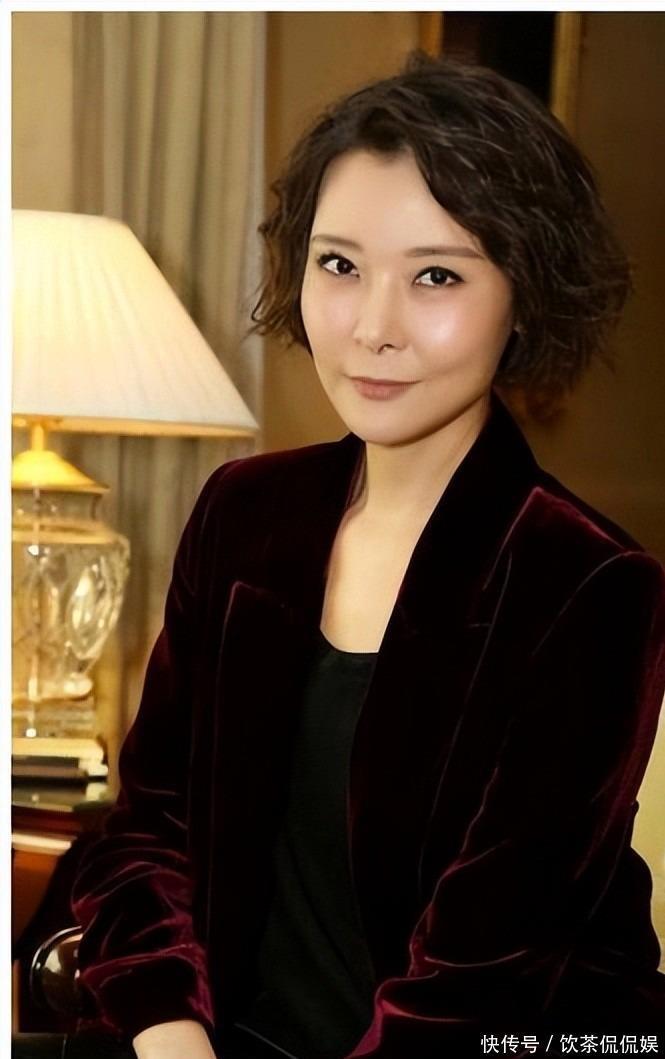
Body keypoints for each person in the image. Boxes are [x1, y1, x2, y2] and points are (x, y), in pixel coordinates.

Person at [71, 55, 665, 1059]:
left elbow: (484, 976)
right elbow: (147, 833)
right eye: (338, 266)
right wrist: (171, 1035)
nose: (371, 329)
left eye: (436, 276)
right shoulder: (243, 513)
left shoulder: (588, 584)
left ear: (524, 295)